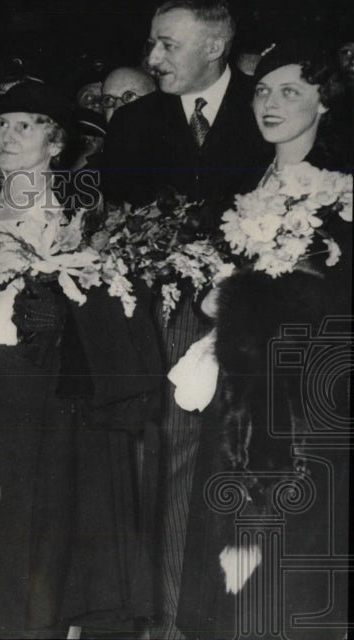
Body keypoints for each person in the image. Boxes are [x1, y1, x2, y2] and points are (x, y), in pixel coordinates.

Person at [0, 80, 159, 639]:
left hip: (40, 401)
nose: (7, 137)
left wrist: (57, 313)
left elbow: (108, 320)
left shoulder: (77, 219)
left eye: (26, 125)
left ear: (56, 143)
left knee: (35, 531)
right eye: (1, 126)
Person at [102, 3, 272, 636]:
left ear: (217, 46)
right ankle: (167, 620)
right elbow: (114, 230)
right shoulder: (134, 124)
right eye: (152, 45)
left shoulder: (269, 111)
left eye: (168, 46)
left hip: (253, 327)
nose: (152, 60)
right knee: (167, 467)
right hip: (163, 326)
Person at [176, 40, 350, 640]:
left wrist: (251, 297)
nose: (271, 103)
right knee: (226, 542)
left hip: (299, 400)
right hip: (235, 390)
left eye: (291, 92)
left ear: (324, 102)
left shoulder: (341, 191)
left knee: (287, 555)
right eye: (263, 90)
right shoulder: (244, 181)